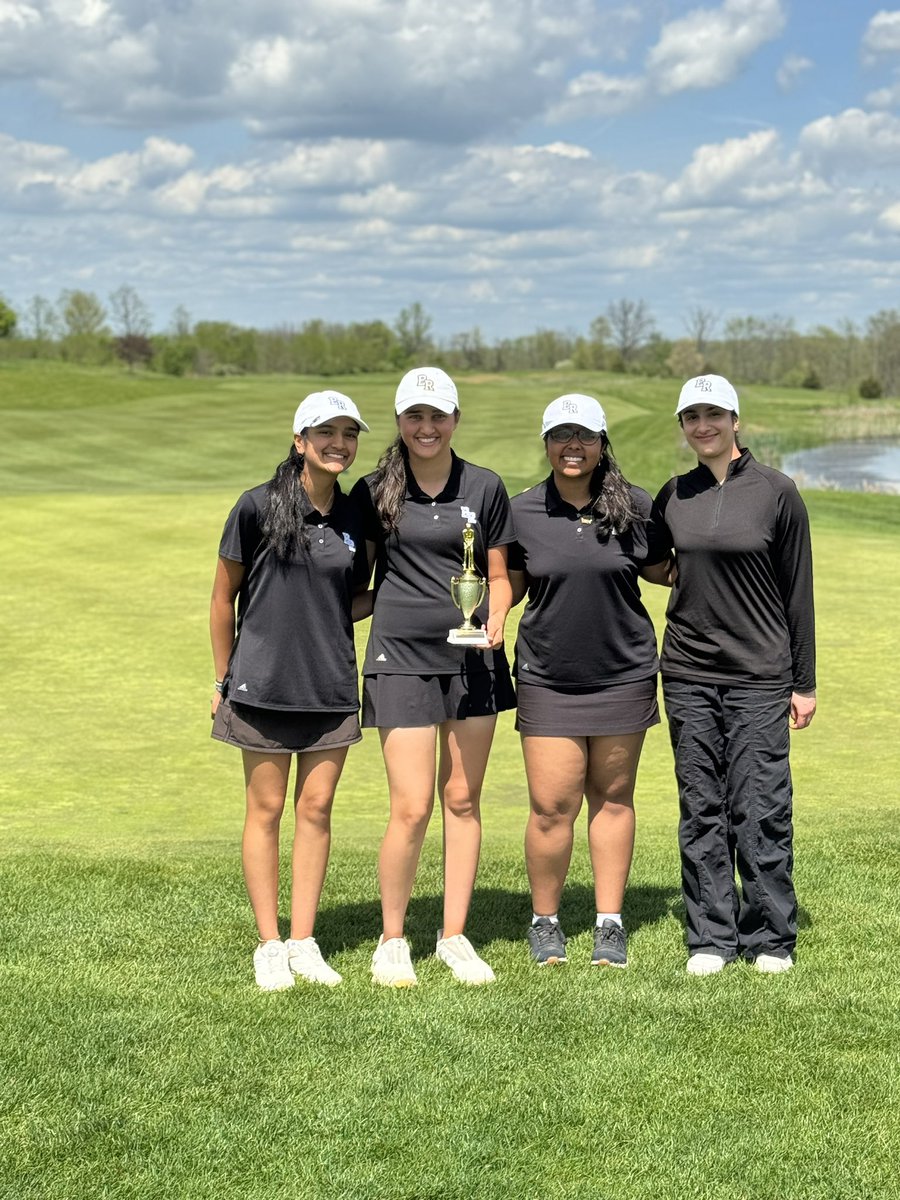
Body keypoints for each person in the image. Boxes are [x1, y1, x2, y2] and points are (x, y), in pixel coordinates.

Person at [351, 366, 516, 987]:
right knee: (413, 804)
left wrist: (497, 617)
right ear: (399, 422)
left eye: (438, 416)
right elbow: (355, 579)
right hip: (399, 658)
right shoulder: (373, 492)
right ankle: (393, 940)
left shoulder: (486, 486)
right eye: (415, 417)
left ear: (455, 420)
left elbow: (497, 575)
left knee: (463, 799)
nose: (427, 427)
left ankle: (454, 936)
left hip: (473, 658)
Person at [652, 374, 816, 976]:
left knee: (761, 805)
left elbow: (798, 592)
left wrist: (805, 681)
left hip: (759, 675)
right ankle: (712, 938)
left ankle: (771, 936)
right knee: (702, 806)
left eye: (714, 415)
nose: (703, 426)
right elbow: (653, 559)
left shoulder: (776, 492)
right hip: (690, 672)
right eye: (692, 416)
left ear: (735, 420)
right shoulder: (674, 494)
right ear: (683, 426)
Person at [210, 391, 371, 991]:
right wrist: (223, 680)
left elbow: (348, 600)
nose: (338, 442)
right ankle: (270, 943)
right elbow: (222, 598)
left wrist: (402, 595)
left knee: (316, 810)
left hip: (329, 684)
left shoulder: (354, 515)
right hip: (262, 684)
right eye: (324, 432)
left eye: (348, 433)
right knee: (267, 810)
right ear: (299, 440)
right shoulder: (257, 507)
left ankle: (304, 941)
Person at [507, 394, 671, 970]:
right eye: (560, 434)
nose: (572, 446)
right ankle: (545, 921)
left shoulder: (636, 506)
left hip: (623, 673)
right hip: (548, 676)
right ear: (547, 443)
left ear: (603, 443)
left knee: (613, 797)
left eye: (584, 435)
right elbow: (509, 583)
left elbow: (662, 571)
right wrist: (485, 620)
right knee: (552, 805)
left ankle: (609, 923)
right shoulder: (521, 509)